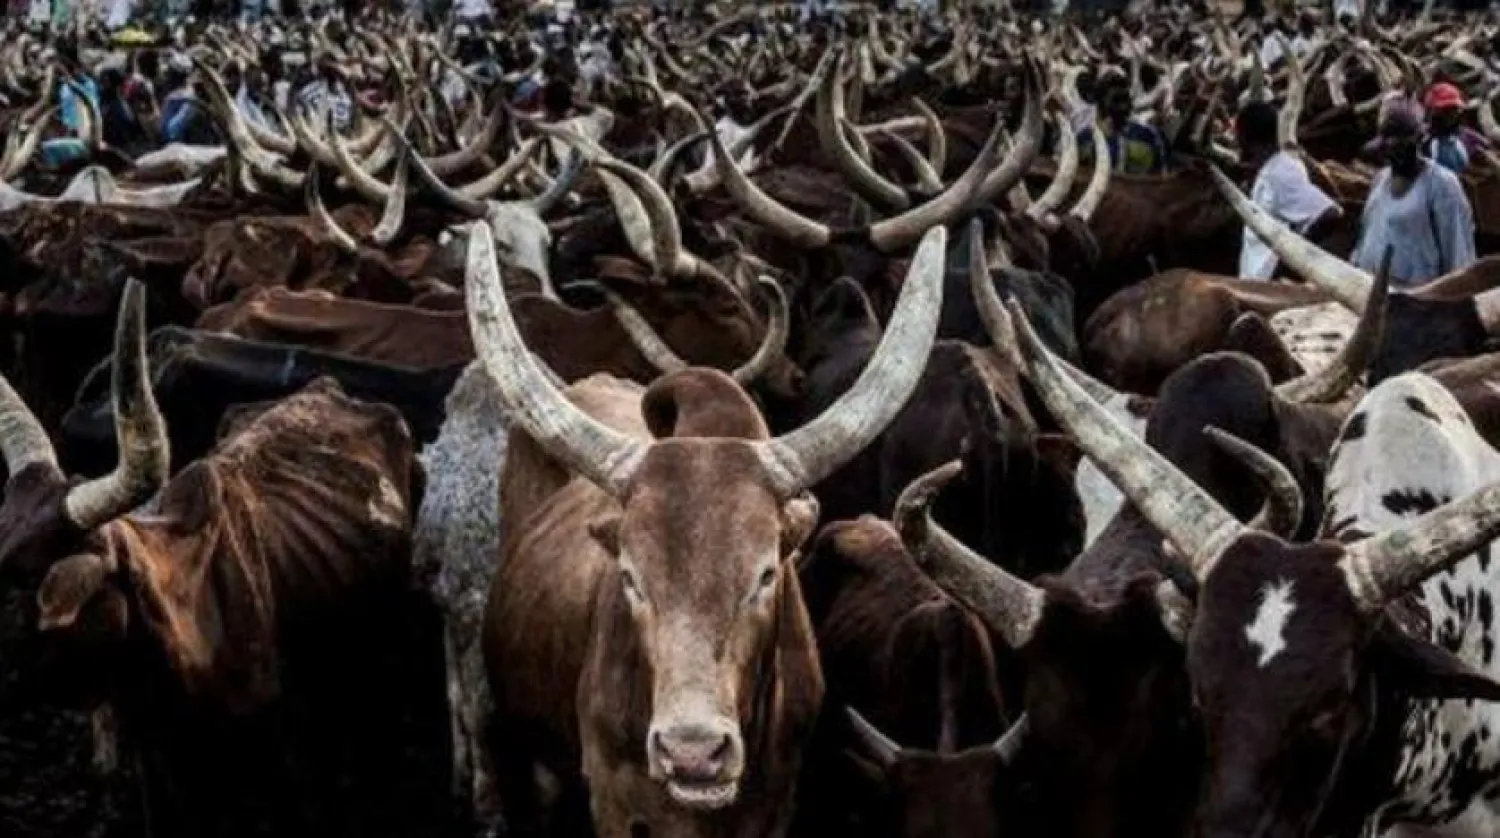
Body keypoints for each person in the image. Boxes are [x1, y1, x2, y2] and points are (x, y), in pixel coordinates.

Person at [1351, 98, 1476, 289]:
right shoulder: (1380, 181)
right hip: (1372, 289)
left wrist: (1455, 299)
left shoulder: (1441, 185)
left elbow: (1457, 253)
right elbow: (1366, 236)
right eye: (1389, 143)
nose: (1395, 150)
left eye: (1403, 143)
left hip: (1418, 299)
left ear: (1418, 139)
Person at [1234, 101, 1341, 280]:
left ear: (1245, 138)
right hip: (1253, 281)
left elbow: (1330, 213)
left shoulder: (1280, 175)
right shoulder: (1273, 168)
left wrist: (1289, 262)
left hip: (1267, 285)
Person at [1076, 71, 1169, 175]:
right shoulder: (1085, 139)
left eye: (1124, 99)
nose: (1122, 106)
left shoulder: (1151, 135)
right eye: (1117, 100)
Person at [1423, 82, 1489, 175]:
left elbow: (1486, 146)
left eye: (1454, 110)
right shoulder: (1428, 145)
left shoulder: (1460, 136)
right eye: (1447, 112)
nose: (1453, 116)